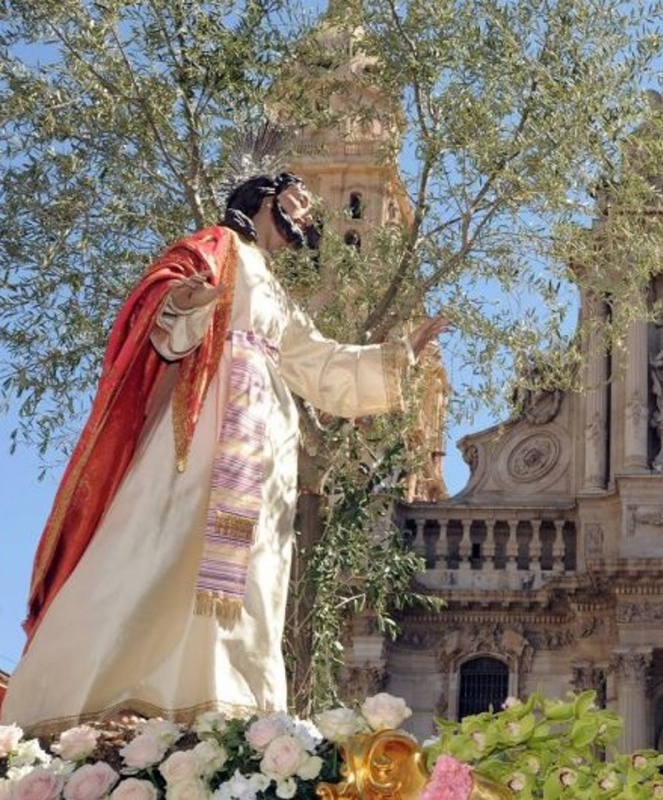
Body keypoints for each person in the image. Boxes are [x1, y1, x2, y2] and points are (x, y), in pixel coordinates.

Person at [2, 173, 444, 734]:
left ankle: (229, 700)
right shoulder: (217, 246)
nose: (307, 215)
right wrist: (184, 303)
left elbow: (317, 362)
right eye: (297, 200)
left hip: (264, 442)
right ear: (263, 199)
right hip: (208, 420)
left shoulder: (277, 291)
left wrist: (397, 355)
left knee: (254, 569)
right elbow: (159, 301)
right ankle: (117, 690)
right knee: (165, 542)